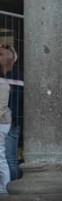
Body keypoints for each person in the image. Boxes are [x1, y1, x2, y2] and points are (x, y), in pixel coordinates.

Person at [0, 40, 20, 183]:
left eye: (1, 54)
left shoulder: (17, 75)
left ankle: (11, 188)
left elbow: (17, 101)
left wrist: (16, 121)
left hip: (10, 121)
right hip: (6, 120)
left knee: (9, 158)